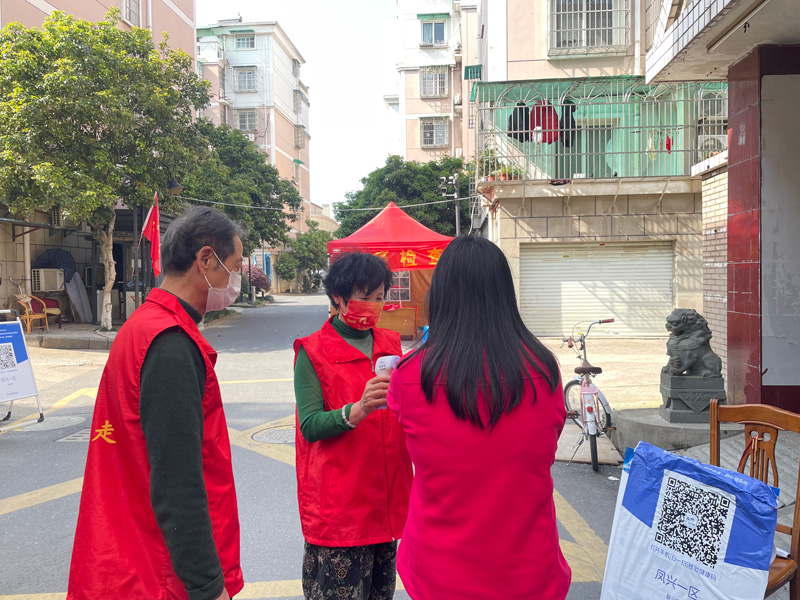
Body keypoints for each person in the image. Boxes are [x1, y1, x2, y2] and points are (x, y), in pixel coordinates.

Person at [68, 207, 245, 600]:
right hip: (157, 573)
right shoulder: (171, 344)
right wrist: (207, 586)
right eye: (234, 267)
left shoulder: (144, 325)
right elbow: (178, 482)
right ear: (205, 260)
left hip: (132, 553)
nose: (236, 280)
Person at [387, 235, 571, 600]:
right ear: (504, 295)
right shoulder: (544, 370)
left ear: (440, 296)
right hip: (532, 571)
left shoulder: (409, 376)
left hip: (438, 571)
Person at [293, 251, 413, 600]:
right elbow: (310, 424)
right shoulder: (312, 351)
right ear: (338, 297)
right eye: (364, 297)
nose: (372, 306)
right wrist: (355, 411)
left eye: (379, 297)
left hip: (385, 502)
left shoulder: (390, 344)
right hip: (341, 509)